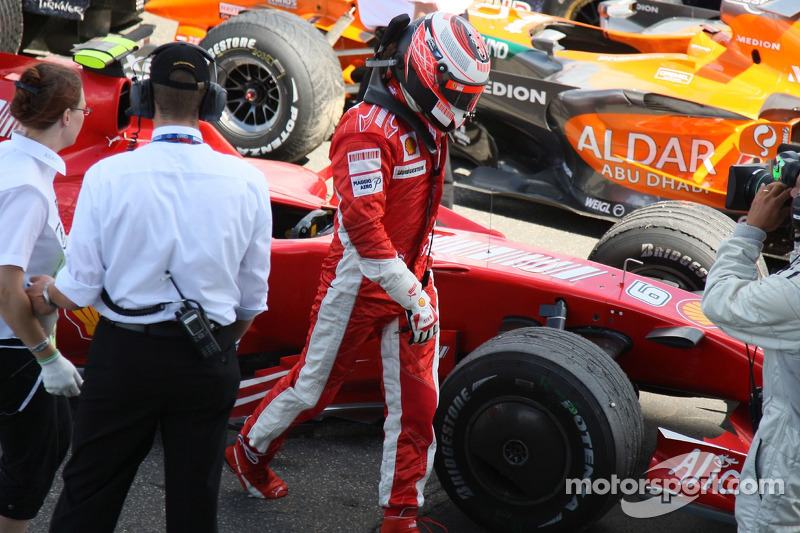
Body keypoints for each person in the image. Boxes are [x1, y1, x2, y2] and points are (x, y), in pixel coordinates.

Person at [224, 12, 489, 533]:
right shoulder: (365, 131)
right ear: (423, 71)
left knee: (418, 407)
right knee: (313, 391)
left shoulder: (428, 120)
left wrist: (417, 290)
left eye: (469, 95)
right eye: (456, 93)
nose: (462, 107)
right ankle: (248, 452)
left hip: (414, 279)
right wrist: (414, 296)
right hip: (358, 285)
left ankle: (400, 516)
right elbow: (366, 237)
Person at [26, 42, 273, 533]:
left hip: (125, 359)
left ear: (142, 99)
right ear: (212, 103)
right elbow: (251, 298)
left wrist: (47, 292)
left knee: (89, 492)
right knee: (194, 503)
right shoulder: (248, 181)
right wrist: (218, 345)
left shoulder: (108, 175)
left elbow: (83, 287)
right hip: (209, 357)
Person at [0, 63, 85, 533]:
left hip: (15, 341)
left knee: (48, 443)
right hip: (13, 348)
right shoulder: (27, 187)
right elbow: (5, 289)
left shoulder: (15, 164)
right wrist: (47, 356)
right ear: (68, 116)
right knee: (30, 469)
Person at [701, 179, 800, 532]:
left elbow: (720, 302)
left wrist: (751, 231)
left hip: (790, 471)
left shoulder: (794, 294)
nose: (789, 191)